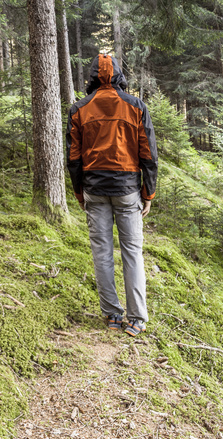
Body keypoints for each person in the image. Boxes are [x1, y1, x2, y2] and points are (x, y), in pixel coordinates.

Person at [66, 54, 157, 337]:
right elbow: (148, 155)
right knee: (132, 253)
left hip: (93, 189)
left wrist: (78, 191)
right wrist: (148, 193)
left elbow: (74, 157)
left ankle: (112, 315)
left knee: (102, 253)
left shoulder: (79, 109)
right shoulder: (136, 106)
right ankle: (137, 319)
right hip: (127, 190)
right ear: (118, 75)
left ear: (92, 76)